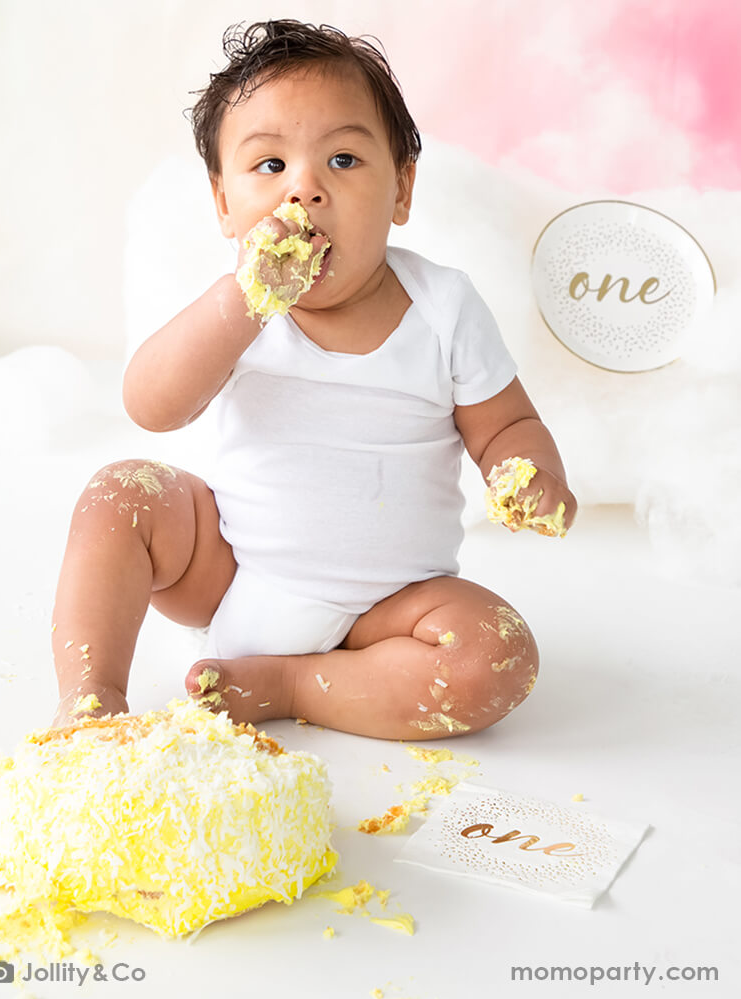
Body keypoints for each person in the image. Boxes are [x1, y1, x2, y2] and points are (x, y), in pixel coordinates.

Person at [50, 19, 577, 739]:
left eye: (344, 159)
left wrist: (529, 473)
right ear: (224, 204)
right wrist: (243, 304)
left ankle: (294, 683)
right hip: (229, 571)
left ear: (402, 189)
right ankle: (91, 699)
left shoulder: (444, 307)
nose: (305, 188)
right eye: (270, 165)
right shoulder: (236, 310)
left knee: (497, 656)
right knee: (120, 493)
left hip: (390, 610)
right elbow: (152, 405)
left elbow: (507, 425)